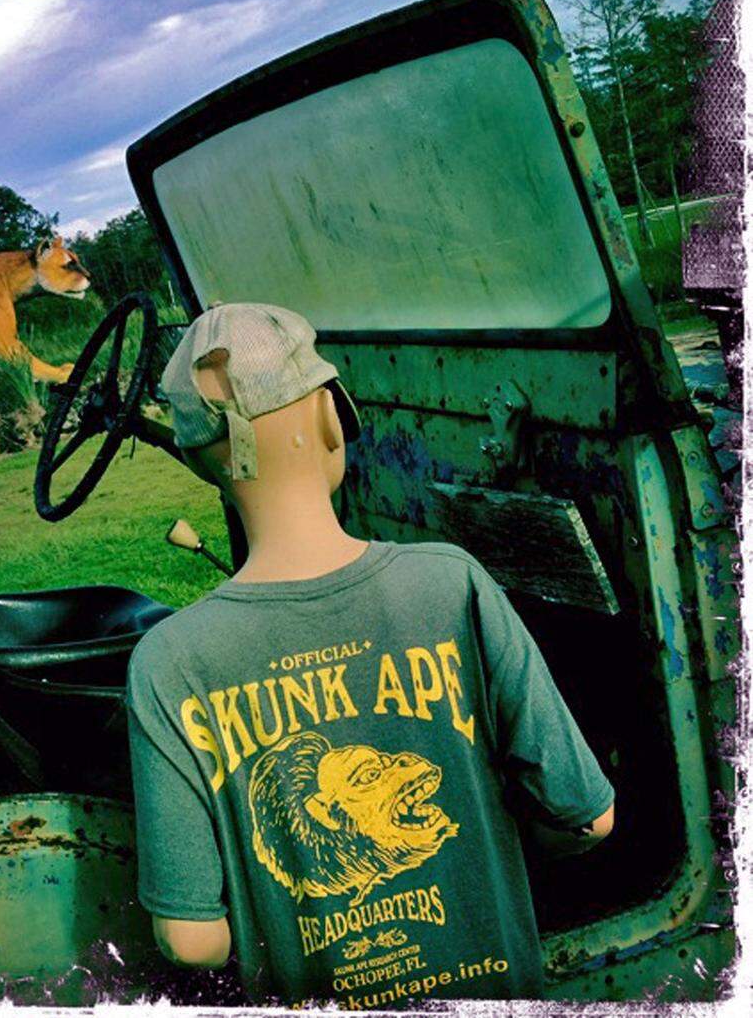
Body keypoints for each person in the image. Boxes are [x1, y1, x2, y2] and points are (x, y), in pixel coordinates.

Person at [125, 301, 615, 1007]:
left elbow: (191, 940)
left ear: (204, 463)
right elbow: (588, 816)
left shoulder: (169, 661)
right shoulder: (452, 585)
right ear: (333, 419)